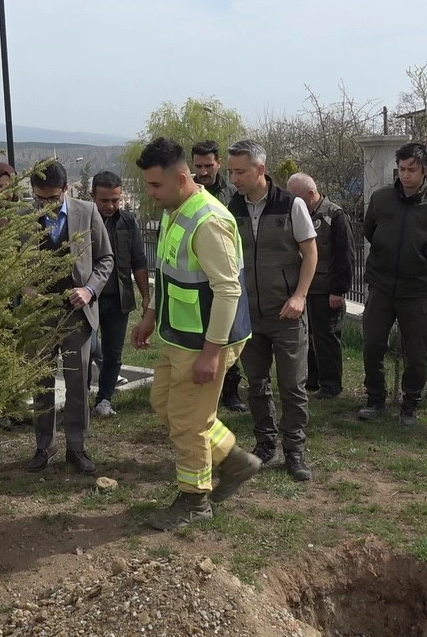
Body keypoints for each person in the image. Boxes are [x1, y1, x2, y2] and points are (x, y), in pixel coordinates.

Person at [130, 137, 259, 530]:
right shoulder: (176, 211)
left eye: (156, 185)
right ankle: (235, 461)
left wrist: (211, 353)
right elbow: (168, 271)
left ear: (182, 179)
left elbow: (228, 291)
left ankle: (194, 501)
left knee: (188, 421)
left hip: (205, 341)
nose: (151, 193)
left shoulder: (209, 221)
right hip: (180, 337)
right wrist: (151, 315)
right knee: (165, 405)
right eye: (148, 185)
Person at [227, 140, 318, 482]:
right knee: (256, 382)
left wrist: (300, 296)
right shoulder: (231, 208)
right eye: (231, 171)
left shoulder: (291, 205)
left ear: (260, 169)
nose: (234, 178)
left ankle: (295, 449)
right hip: (249, 314)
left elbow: (310, 254)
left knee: (292, 385)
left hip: (286, 313)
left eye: (240, 171)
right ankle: (266, 443)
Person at [357, 142, 427, 427]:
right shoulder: (381, 199)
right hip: (381, 285)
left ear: (426, 170)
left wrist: (422, 258)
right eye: (401, 169)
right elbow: (370, 230)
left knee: (416, 351)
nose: (406, 175)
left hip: (416, 290)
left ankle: (411, 403)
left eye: (412, 169)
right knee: (373, 344)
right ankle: (375, 398)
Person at [25, 160, 114, 475]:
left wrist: (89, 290)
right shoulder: (23, 217)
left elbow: (106, 258)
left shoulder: (87, 213)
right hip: (40, 315)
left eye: (52, 198)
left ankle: (76, 447)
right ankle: (44, 445)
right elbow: (11, 263)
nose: (46, 205)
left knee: (77, 382)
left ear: (66, 189)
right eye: (39, 198)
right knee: (41, 383)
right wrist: (25, 287)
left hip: (78, 314)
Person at [286, 172, 355, 401]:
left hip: (327, 290)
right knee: (308, 337)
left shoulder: (334, 215)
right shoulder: (300, 215)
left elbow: (345, 255)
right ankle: (313, 380)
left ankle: (331, 384)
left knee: (327, 338)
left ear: (310, 194)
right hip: (307, 289)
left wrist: (338, 290)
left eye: (296, 196)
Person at [192, 139, 248, 413]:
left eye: (208, 165)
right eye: (198, 166)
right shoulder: (187, 193)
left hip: (225, 271)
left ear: (218, 164)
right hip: (196, 275)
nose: (203, 172)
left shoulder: (233, 195)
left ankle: (231, 391)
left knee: (229, 331)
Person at [89, 170, 150, 417]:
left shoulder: (128, 222)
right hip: (88, 299)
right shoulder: (82, 221)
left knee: (113, 353)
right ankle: (80, 397)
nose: (110, 206)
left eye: (115, 200)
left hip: (118, 298)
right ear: (93, 196)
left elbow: (139, 261)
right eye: (104, 200)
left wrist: (146, 297)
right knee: (86, 350)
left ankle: (104, 399)